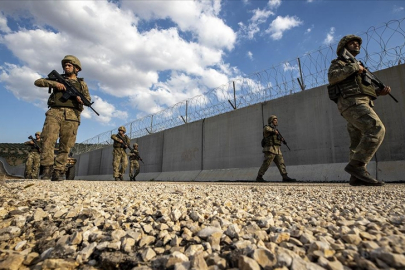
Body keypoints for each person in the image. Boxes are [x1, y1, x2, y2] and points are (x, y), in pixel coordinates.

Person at [327, 35, 391, 186]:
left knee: (356, 141)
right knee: (376, 128)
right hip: (351, 103)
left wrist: (378, 92)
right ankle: (357, 166)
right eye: (352, 42)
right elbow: (332, 77)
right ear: (344, 46)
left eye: (358, 43)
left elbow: (361, 89)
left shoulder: (358, 65)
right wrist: (355, 67)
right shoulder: (340, 63)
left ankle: (356, 177)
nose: (357, 44)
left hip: (361, 102)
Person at [34, 55, 91, 181]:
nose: (66, 67)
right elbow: (38, 82)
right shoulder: (58, 79)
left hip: (72, 115)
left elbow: (88, 99)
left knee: (66, 145)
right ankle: (47, 169)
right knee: (48, 139)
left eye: (69, 65)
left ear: (77, 68)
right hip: (55, 112)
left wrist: (81, 100)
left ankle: (58, 171)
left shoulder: (81, 84)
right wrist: (54, 84)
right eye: (65, 65)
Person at [256, 115, 296, 182]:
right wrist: (274, 131)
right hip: (270, 149)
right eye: (274, 120)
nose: (276, 121)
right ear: (271, 121)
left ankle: (285, 176)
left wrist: (281, 139)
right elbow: (266, 129)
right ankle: (259, 177)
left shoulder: (276, 130)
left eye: (276, 120)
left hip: (277, 149)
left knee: (281, 163)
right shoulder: (267, 128)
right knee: (267, 163)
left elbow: (276, 138)